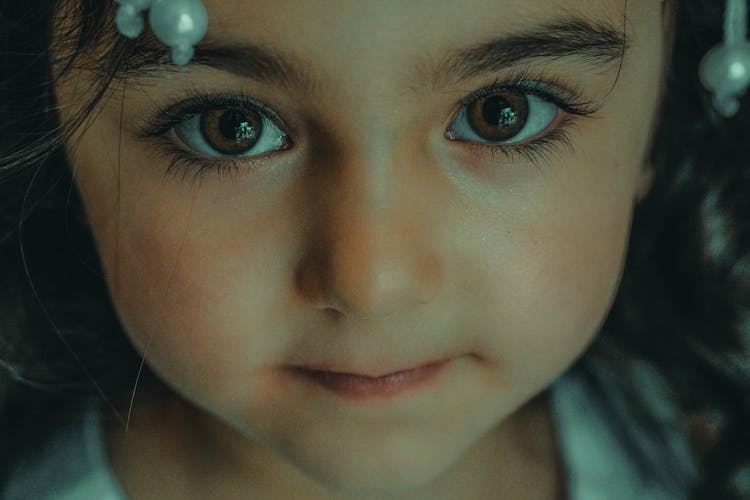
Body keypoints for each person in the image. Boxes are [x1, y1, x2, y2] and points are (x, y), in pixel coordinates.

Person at [0, 0, 748, 498]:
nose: (373, 281)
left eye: (502, 114)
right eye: (230, 126)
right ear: (57, 132)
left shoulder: (705, 445)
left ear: (662, 113)